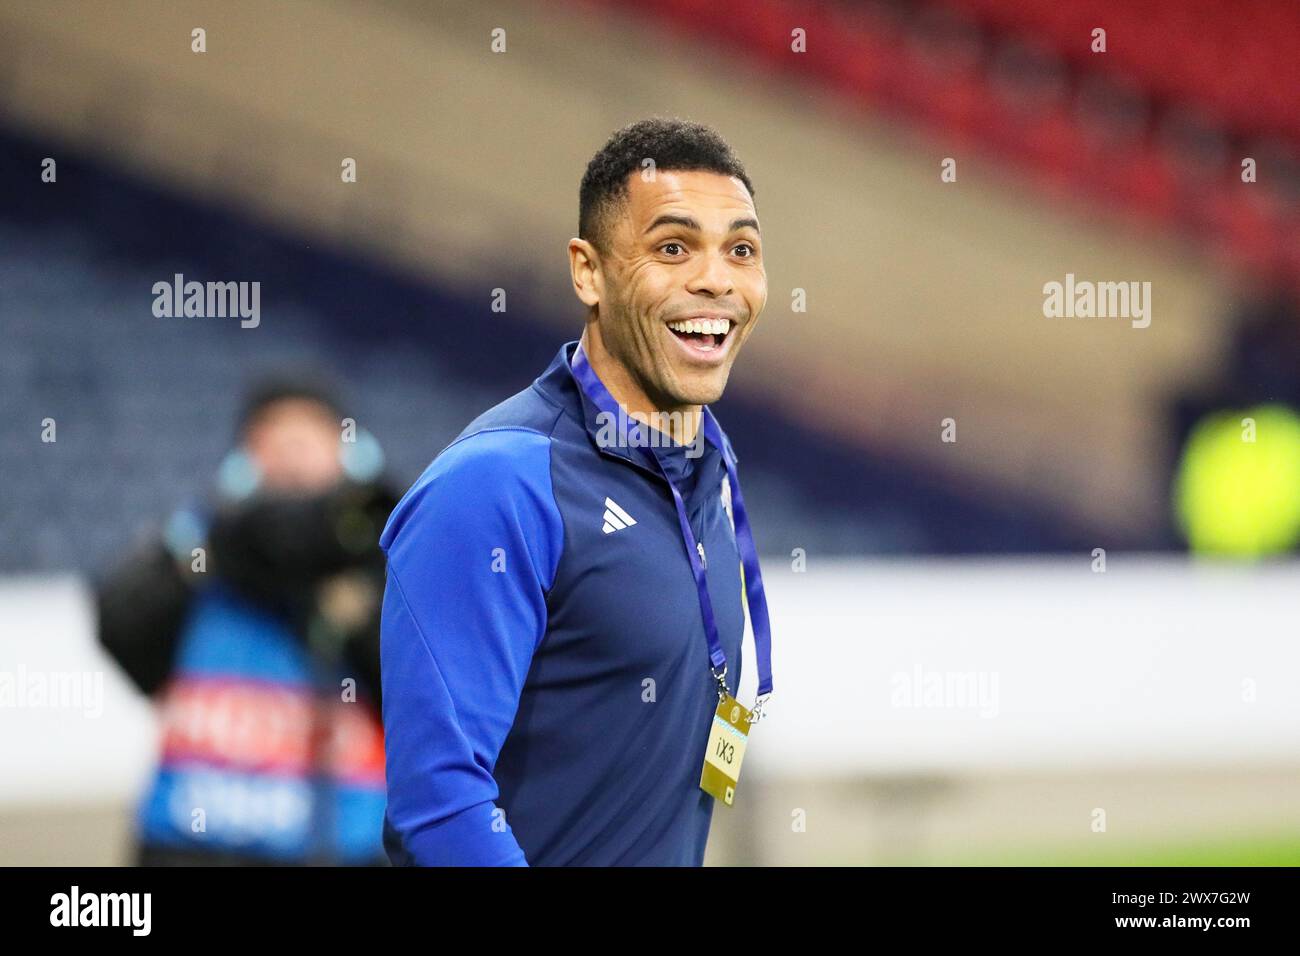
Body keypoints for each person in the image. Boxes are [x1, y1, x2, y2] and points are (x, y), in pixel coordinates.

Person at [380, 117, 775, 866]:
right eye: (672, 248)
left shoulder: (708, 474)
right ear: (588, 273)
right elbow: (438, 805)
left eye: (742, 250)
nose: (717, 280)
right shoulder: (497, 485)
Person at [96, 377, 396, 865]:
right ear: (243, 463)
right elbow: (121, 633)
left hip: (344, 846)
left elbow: (428, 689)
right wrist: (207, 545)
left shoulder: (388, 560)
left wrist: (352, 592)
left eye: (310, 438)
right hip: (191, 845)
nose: (293, 457)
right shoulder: (200, 551)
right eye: (274, 440)